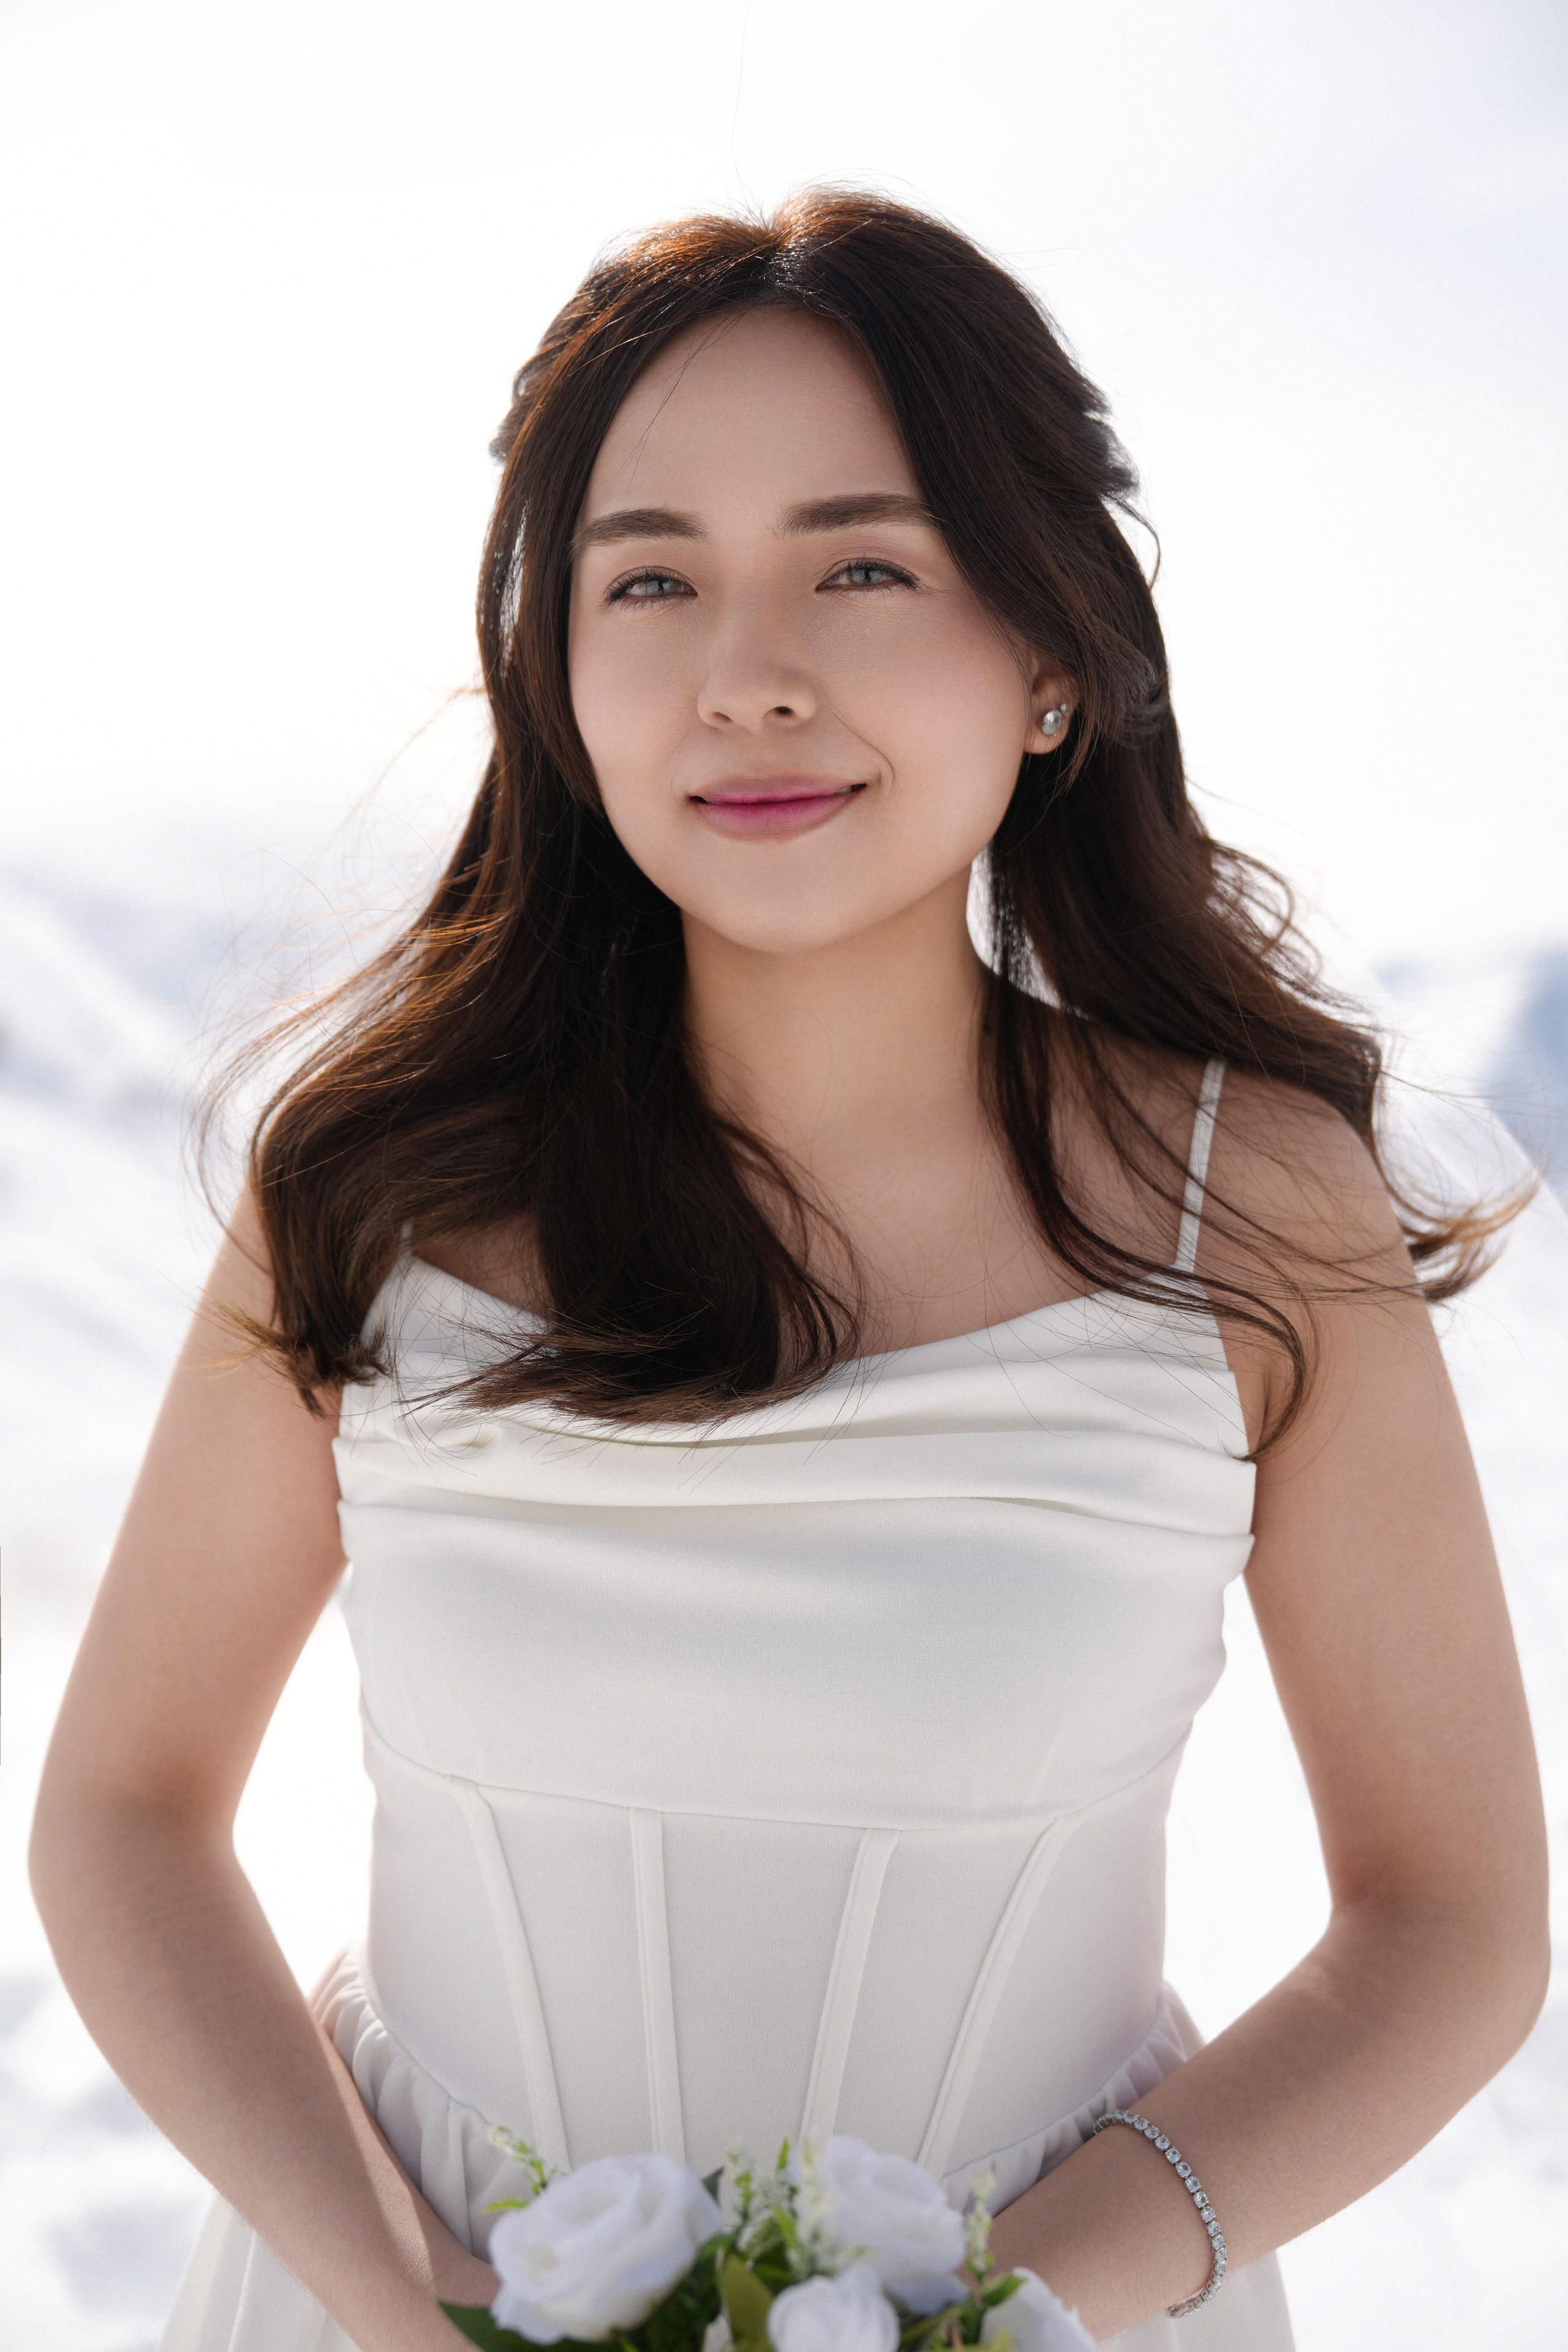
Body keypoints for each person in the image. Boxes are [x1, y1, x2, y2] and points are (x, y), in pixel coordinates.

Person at [30, 190, 1547, 2351]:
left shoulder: (1253, 1207)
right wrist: (396, 2295)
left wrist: (999, 2314)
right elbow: (123, 1809)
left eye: (862, 564)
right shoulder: (370, 1189)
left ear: (1047, 659)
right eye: (650, 578)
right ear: (556, 672)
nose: (750, 673)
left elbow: (1452, 1921)